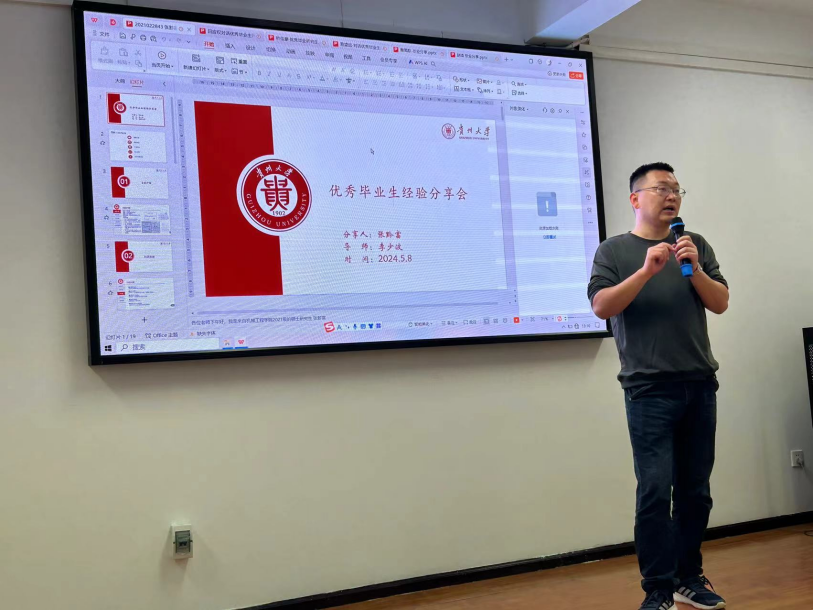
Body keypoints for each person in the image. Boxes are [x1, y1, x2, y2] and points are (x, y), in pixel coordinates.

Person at [588, 163, 729, 610]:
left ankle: (689, 577)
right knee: (654, 491)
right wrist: (647, 272)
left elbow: (720, 302)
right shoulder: (614, 251)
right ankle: (658, 588)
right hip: (648, 391)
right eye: (661, 188)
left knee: (695, 491)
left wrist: (694, 268)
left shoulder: (695, 244)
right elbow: (601, 306)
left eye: (677, 189)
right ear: (635, 198)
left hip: (699, 385)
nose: (671, 196)